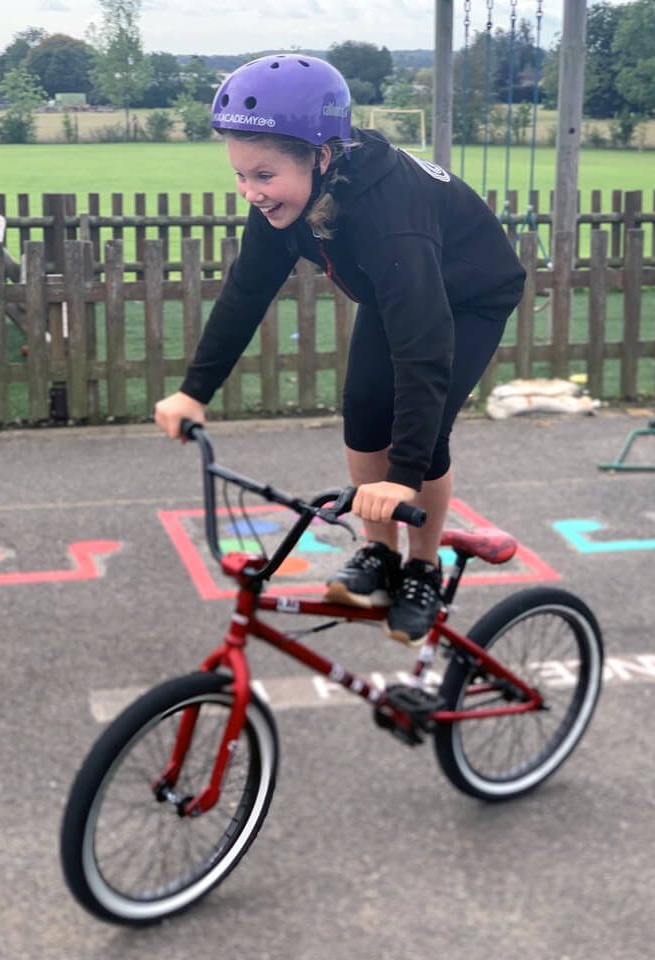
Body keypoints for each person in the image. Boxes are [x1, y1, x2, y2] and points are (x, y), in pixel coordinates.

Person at [154, 53, 526, 645]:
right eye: (240, 176)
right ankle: (380, 558)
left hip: (468, 295)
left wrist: (402, 478)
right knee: (363, 410)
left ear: (322, 157)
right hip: (397, 288)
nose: (251, 191)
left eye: (265, 175)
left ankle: (422, 569)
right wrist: (194, 392)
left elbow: (424, 351)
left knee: (422, 433)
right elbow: (246, 293)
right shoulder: (288, 201)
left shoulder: (388, 218)